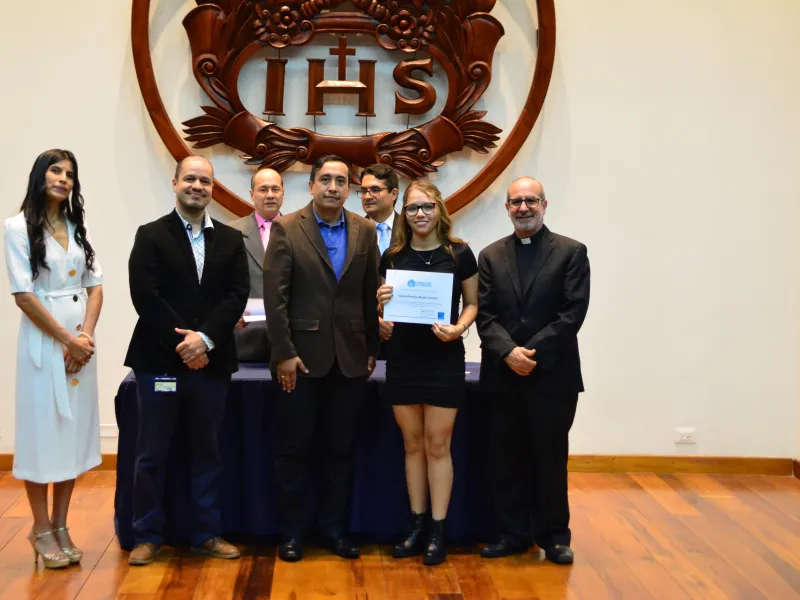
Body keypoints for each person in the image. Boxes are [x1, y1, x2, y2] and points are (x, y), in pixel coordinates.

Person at [125, 155, 249, 566]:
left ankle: (206, 533)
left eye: (205, 181)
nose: (198, 186)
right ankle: (147, 535)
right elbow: (145, 296)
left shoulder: (231, 239)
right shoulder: (150, 235)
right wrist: (185, 344)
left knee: (207, 452)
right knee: (152, 455)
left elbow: (236, 295)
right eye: (190, 179)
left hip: (211, 363)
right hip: (159, 362)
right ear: (175, 183)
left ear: (213, 189)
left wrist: (206, 340)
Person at [264, 155, 380, 562]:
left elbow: (368, 292)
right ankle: (292, 534)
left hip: (350, 360)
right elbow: (275, 298)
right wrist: (284, 353)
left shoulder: (365, 230)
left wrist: (372, 349)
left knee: (340, 451)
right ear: (311, 185)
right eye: (326, 180)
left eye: (341, 181)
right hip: (300, 362)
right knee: (294, 451)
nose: (333, 187)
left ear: (350, 188)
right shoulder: (286, 227)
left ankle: (333, 530)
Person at [476, 177, 590, 565]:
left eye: (531, 200)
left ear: (544, 204)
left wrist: (531, 353)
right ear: (507, 208)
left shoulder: (571, 252)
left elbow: (572, 313)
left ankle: (554, 536)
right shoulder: (490, 255)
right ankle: (513, 534)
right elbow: (485, 315)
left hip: (552, 376)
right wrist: (509, 352)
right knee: (507, 458)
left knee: (549, 458)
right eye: (516, 202)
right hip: (503, 375)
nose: (523, 207)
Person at [4, 149, 103, 569]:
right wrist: (66, 340)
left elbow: (95, 285)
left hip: (80, 344)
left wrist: (85, 338)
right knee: (42, 433)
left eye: (70, 174)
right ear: (39, 176)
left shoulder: (78, 226)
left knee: (73, 434)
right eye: (55, 170)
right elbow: (23, 295)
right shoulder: (17, 227)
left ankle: (61, 525)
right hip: (44, 346)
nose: (63, 179)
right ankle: (40, 528)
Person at [376, 180, 478, 566]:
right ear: (404, 214)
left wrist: (459, 327)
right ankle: (416, 524)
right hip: (403, 359)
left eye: (427, 207)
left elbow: (473, 303)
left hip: (443, 360)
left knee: (438, 445)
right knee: (412, 444)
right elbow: (383, 312)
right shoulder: (392, 256)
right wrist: (380, 309)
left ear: (439, 210)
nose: (420, 214)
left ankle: (438, 529)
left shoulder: (459, 253)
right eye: (412, 208)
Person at [229, 165, 284, 362]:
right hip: (245, 340)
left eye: (275, 189)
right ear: (252, 194)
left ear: (283, 193)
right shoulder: (230, 233)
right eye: (263, 189)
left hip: (289, 342)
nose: (270, 195)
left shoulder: (301, 232)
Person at [359, 164, 400, 358]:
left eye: (375, 189)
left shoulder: (413, 231)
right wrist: (373, 321)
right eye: (363, 191)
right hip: (361, 339)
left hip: (406, 338)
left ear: (394, 194)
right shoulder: (351, 233)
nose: (367, 196)